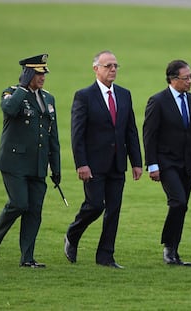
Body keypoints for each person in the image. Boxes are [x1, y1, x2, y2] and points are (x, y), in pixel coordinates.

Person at [64, 50, 143, 269]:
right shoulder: (84, 96)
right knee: (95, 205)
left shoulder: (125, 95)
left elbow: (130, 131)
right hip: (93, 164)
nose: (113, 69)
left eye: (115, 66)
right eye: (108, 66)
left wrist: (136, 162)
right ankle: (73, 233)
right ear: (96, 69)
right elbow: (77, 134)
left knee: (114, 209)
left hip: (118, 163)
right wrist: (81, 163)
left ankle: (105, 256)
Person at [0, 54, 61, 268]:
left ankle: (27, 258)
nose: (42, 77)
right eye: (38, 73)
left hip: (37, 164)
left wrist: (55, 167)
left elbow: (52, 136)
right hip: (14, 162)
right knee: (19, 203)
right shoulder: (12, 93)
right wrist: (22, 87)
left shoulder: (48, 98)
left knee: (34, 210)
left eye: (44, 73)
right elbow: (9, 110)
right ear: (27, 73)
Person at [143, 59, 191, 266]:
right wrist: (152, 165)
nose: (190, 81)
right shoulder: (158, 101)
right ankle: (169, 248)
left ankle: (174, 250)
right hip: (166, 163)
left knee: (182, 206)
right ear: (173, 80)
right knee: (178, 202)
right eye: (186, 78)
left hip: (187, 164)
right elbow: (149, 135)